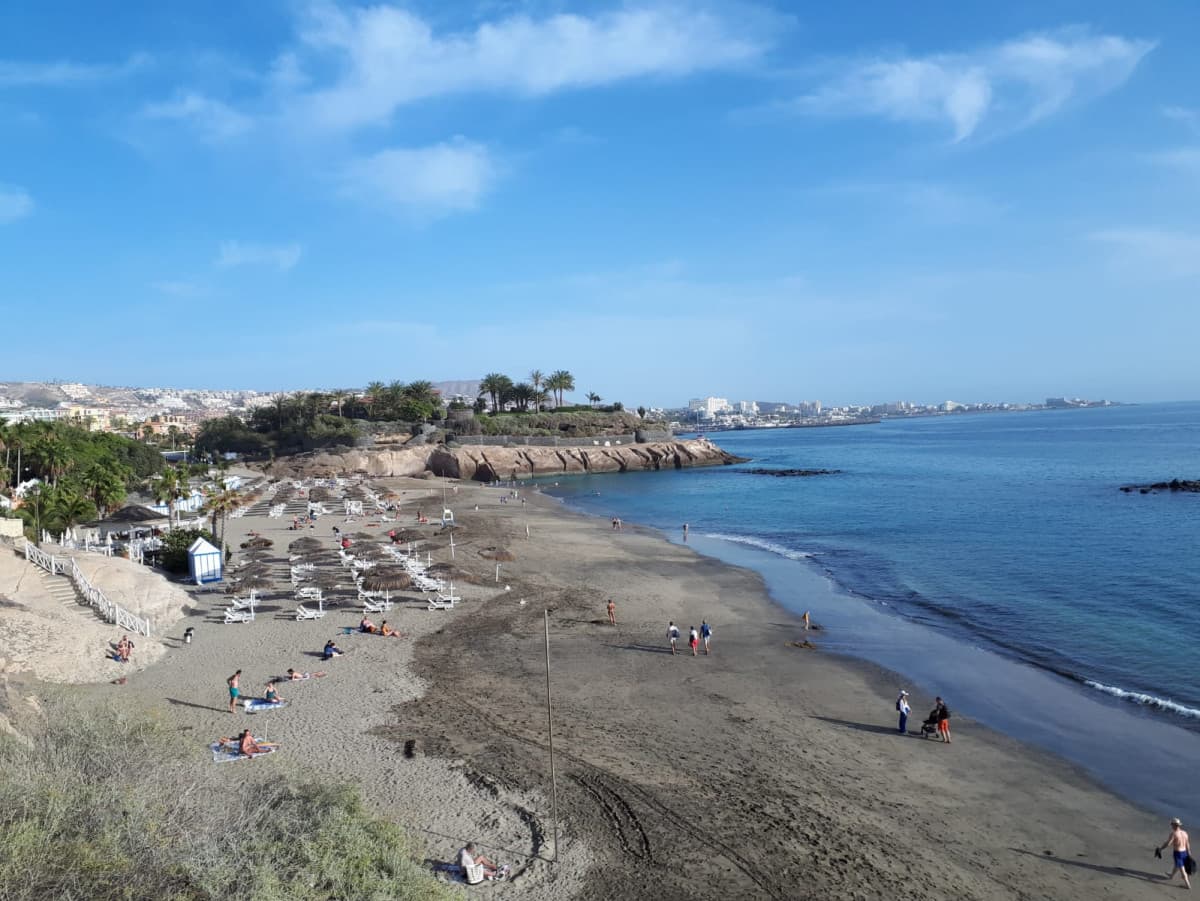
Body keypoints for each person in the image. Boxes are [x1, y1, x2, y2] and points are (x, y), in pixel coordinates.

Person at [1157, 817, 1192, 889]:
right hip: (1184, 852)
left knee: (1182, 869)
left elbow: (1168, 843)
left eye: (1172, 825)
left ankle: (1187, 885)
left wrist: (1161, 849)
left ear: (1174, 825)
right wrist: (1189, 853)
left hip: (1178, 853)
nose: (1171, 826)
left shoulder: (1174, 834)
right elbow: (1187, 844)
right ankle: (1171, 875)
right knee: (1177, 865)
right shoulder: (1185, 833)